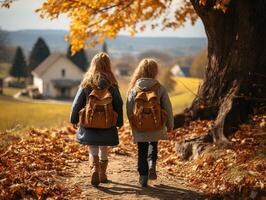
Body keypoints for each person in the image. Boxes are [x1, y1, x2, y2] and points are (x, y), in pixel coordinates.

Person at [70, 52, 123, 186]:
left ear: (93, 65)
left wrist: (74, 119)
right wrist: (119, 121)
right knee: (103, 146)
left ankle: (94, 167)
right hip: (107, 121)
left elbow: (77, 103)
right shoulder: (112, 84)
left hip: (89, 121)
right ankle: (103, 174)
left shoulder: (87, 83)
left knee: (92, 145)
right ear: (108, 66)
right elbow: (119, 103)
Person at [126, 58, 174, 187]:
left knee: (142, 149)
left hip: (140, 124)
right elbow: (167, 107)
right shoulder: (159, 88)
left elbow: (129, 107)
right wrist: (170, 124)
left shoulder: (135, 88)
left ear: (140, 71)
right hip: (156, 123)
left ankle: (143, 176)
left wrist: (132, 123)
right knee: (153, 144)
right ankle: (152, 165)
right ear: (155, 71)